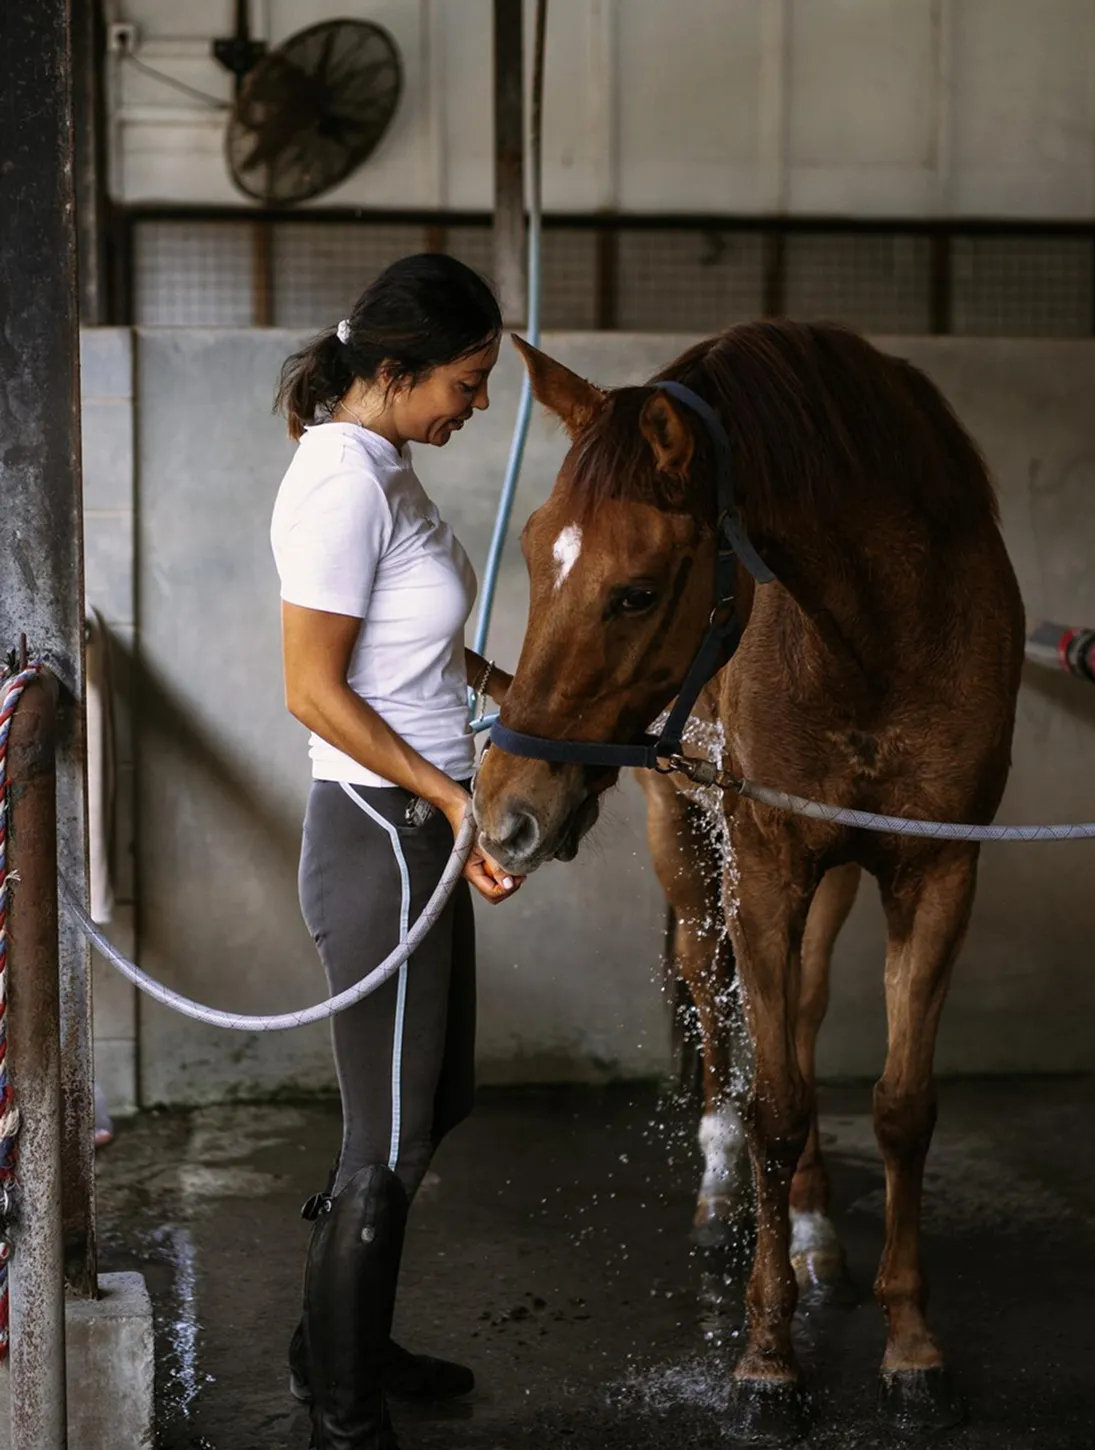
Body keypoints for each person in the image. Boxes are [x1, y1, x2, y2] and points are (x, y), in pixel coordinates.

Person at [270, 254, 522, 1450]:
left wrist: (511, 699)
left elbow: (414, 645)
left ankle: (342, 1337)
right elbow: (311, 691)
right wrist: (444, 793)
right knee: (390, 1135)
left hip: (425, 823)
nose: (476, 404)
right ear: (395, 370)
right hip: (381, 830)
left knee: (435, 1101)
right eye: (467, 382)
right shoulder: (341, 484)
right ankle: (342, 1404)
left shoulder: (391, 467)